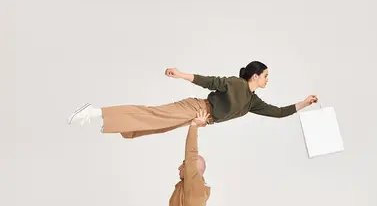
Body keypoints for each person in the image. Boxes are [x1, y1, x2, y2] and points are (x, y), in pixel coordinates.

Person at [67, 61, 318, 138]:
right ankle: (96, 112)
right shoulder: (236, 83)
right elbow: (209, 81)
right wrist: (180, 75)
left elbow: (279, 112)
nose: (267, 80)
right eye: (265, 76)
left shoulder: (253, 102)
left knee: (157, 126)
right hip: (197, 108)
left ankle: (109, 122)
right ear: (255, 75)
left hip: (200, 119)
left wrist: (304, 103)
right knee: (152, 115)